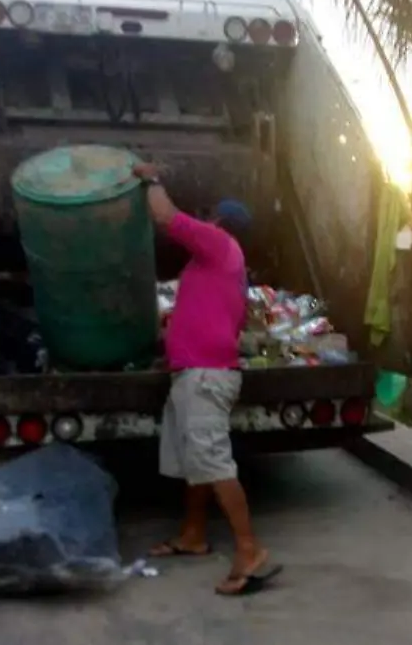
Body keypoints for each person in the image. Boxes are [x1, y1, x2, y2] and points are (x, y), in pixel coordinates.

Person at [132, 162, 282, 596]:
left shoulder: (217, 244)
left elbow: (164, 217)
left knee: (214, 463)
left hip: (204, 376)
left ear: (217, 222)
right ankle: (193, 534)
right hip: (193, 373)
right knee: (194, 461)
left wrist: (151, 179)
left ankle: (249, 550)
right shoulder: (225, 264)